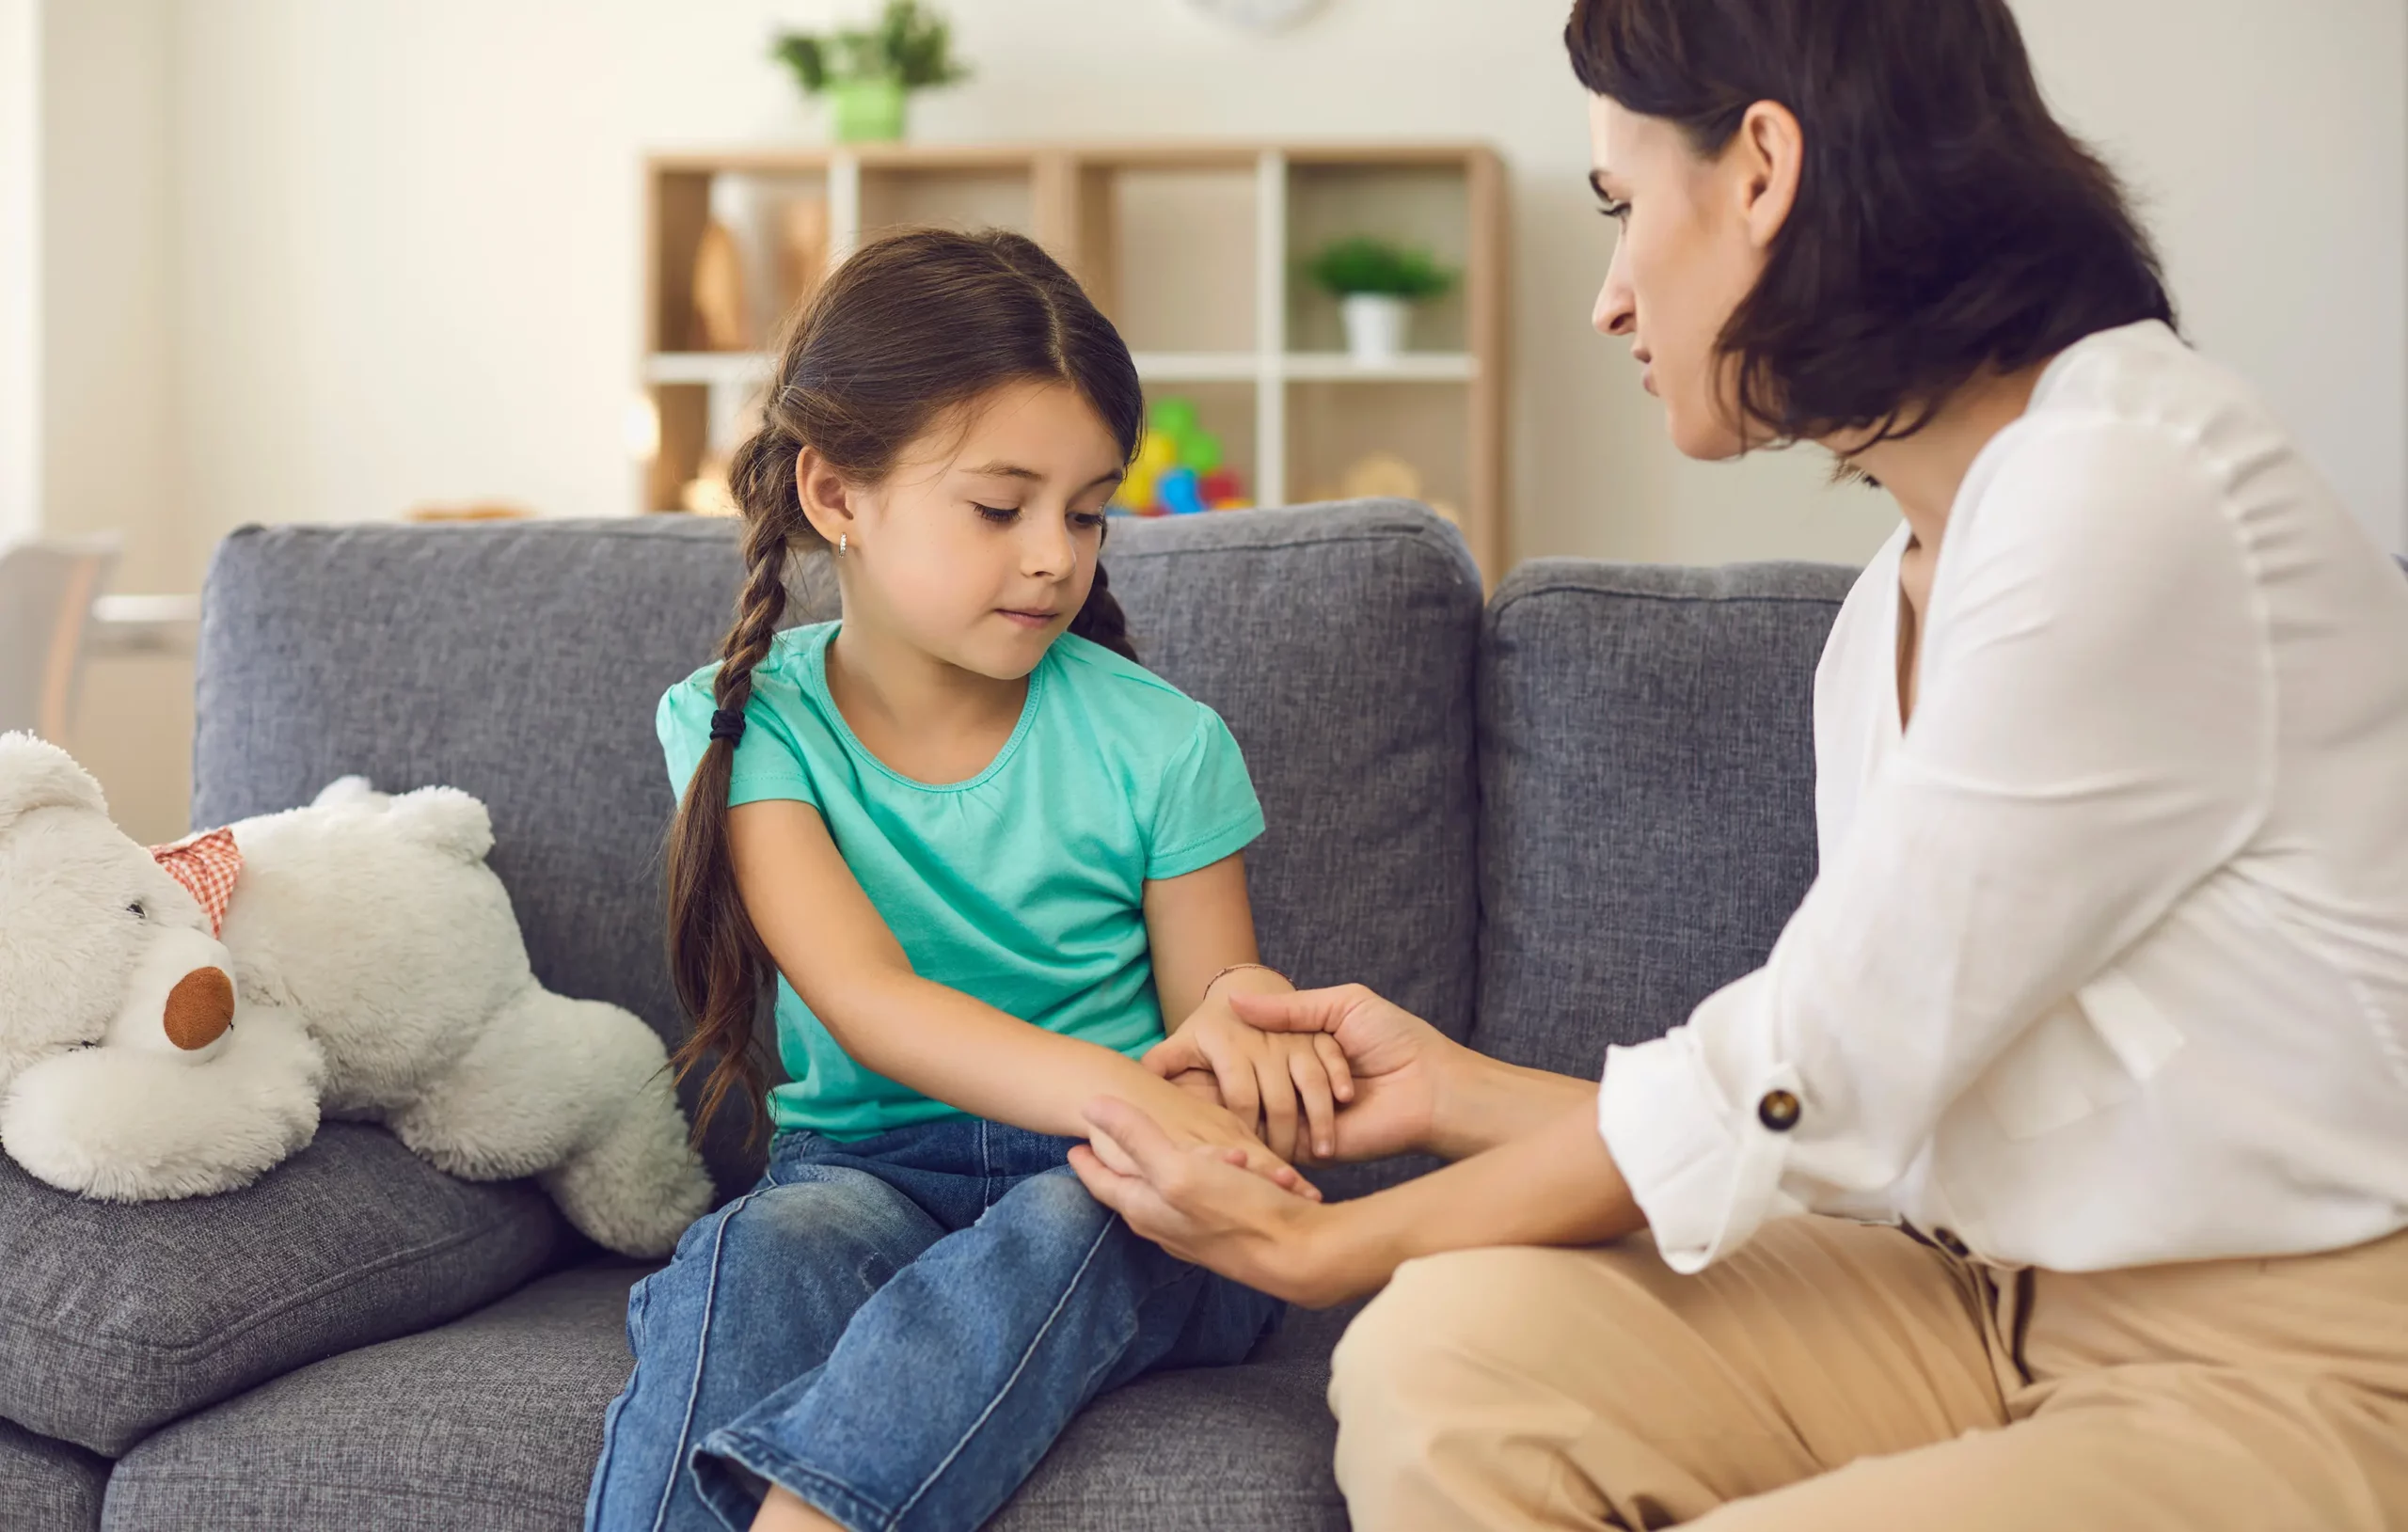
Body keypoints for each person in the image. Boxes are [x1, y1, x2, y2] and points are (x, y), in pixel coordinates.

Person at [1069, 2, 2408, 1528]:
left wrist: (1324, 1247)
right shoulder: (1894, 604)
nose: (1612, 298)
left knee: (1407, 1299)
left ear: (1763, 166)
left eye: (1624, 206)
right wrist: (1451, 1089)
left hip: (2297, 1361)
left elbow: (1804, 1074)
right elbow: (1855, 1129)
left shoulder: (2128, 497)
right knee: (1454, 1359)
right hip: (1977, 1300)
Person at [583, 227, 1354, 1532]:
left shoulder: (1165, 743)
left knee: (1077, 1218)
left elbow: (1218, 1001)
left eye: (1088, 508)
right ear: (837, 496)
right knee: (763, 1252)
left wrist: (1237, 1034)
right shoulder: (745, 723)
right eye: (1002, 508)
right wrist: (1131, 1088)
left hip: (1121, 1180)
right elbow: (868, 998)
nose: (1057, 552)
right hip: (865, 1170)